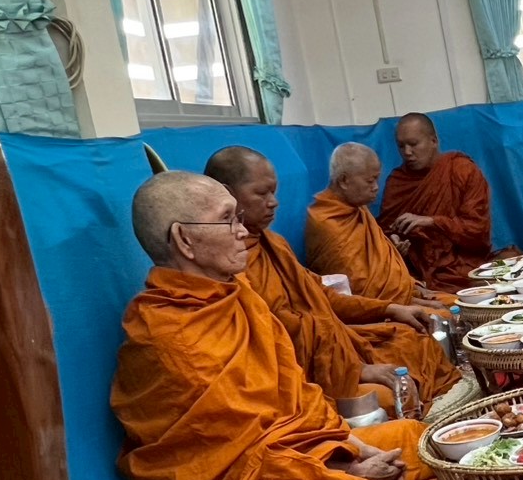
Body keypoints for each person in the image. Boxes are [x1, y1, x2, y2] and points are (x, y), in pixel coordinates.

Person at [112, 172, 453, 480]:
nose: (242, 232)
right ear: (185, 240)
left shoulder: (239, 297)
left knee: (415, 441)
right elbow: (240, 452)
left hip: (301, 457)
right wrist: (347, 472)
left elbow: (299, 395)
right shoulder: (165, 335)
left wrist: (353, 448)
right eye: (228, 220)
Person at [205, 148, 460, 413]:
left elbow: (319, 294)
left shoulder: (273, 243)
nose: (273, 202)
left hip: (336, 348)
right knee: (392, 395)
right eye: (261, 193)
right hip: (305, 370)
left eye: (274, 192)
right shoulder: (229, 264)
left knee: (412, 339)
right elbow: (279, 335)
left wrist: (391, 308)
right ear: (227, 195)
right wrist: (356, 369)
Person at [306, 143, 449, 307]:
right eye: (370, 181)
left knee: (460, 304)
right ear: (344, 180)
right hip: (373, 310)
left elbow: (375, 268)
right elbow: (359, 290)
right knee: (448, 318)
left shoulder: (357, 208)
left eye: (377, 179)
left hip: (399, 297)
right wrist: (414, 303)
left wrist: (405, 275)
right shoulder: (327, 223)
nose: (376, 188)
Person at [379, 113, 492, 290]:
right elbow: (384, 232)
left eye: (414, 144)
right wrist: (394, 243)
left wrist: (432, 222)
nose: (407, 153)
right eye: (401, 146)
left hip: (464, 266)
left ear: (434, 141)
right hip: (416, 273)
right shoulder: (397, 181)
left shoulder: (462, 170)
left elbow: (478, 231)